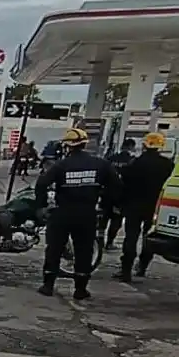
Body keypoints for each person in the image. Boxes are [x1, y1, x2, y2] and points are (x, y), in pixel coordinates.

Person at [35, 127, 121, 300]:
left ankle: (48, 285)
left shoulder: (61, 165)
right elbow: (116, 187)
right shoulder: (101, 164)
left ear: (67, 146)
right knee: (84, 250)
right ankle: (80, 289)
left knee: (54, 248)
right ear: (84, 144)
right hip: (86, 213)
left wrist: (42, 206)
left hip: (63, 212)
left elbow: (41, 184)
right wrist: (105, 205)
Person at [114, 132, 174, 282]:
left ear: (144, 145)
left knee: (131, 237)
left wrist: (119, 203)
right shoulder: (168, 165)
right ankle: (142, 267)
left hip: (134, 206)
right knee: (148, 237)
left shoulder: (135, 163)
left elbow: (124, 185)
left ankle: (126, 270)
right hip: (154, 207)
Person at [105, 138, 137, 249]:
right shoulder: (132, 161)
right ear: (131, 147)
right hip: (121, 196)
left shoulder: (111, 158)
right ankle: (109, 243)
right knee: (116, 220)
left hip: (106, 194)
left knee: (103, 220)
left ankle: (99, 241)